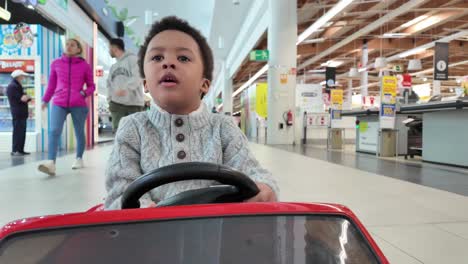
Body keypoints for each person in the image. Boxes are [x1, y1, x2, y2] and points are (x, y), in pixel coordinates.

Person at [104, 16, 278, 210]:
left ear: (204, 84)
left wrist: (264, 187)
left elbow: (252, 170)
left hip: (216, 232)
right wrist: (142, 211)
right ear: (145, 83)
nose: (168, 63)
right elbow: (120, 191)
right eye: (157, 58)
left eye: (183, 58)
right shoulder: (132, 128)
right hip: (152, 234)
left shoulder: (223, 127)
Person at [38, 38, 95, 176]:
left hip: (78, 104)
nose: (69, 47)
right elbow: (51, 84)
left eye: (72, 45)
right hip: (59, 102)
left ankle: (79, 158)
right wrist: (45, 100)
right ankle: (51, 163)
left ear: (78, 49)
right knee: (54, 130)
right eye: (67, 45)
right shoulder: (56, 64)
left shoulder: (84, 65)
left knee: (79, 132)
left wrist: (82, 93)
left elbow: (92, 86)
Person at [107, 38, 145, 132]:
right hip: (117, 105)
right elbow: (109, 84)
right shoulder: (113, 67)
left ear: (114, 47)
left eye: (109, 48)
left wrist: (126, 88)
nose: (109, 50)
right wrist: (110, 100)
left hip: (133, 104)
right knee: (119, 135)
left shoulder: (133, 59)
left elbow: (139, 75)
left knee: (135, 135)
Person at [6, 70, 32, 156]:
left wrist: (26, 97)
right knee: (18, 132)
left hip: (21, 113)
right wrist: (26, 97)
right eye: (22, 76)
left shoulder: (17, 86)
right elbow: (23, 98)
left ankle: (20, 150)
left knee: (21, 132)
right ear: (18, 76)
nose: (23, 77)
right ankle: (16, 150)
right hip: (18, 113)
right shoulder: (13, 86)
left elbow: (26, 97)